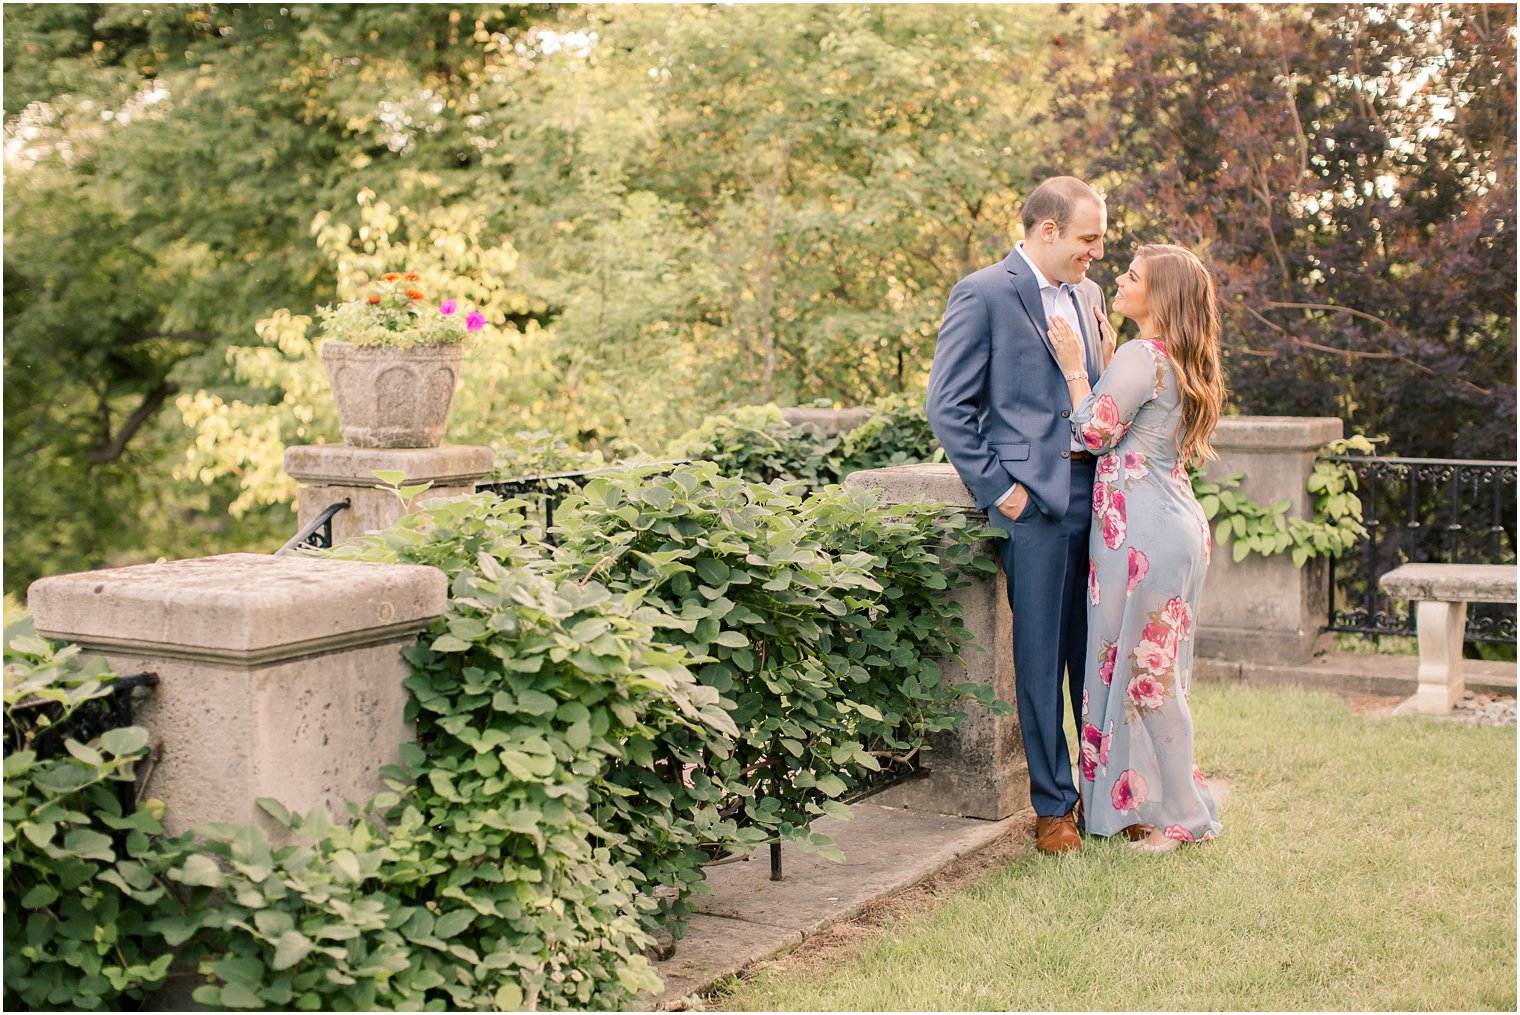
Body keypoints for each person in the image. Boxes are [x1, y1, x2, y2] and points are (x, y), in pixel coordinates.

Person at [926, 176, 1114, 856]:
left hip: (1099, 500)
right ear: (1047, 231)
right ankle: (1053, 807)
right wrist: (999, 490)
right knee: (1038, 660)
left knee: (1093, 655)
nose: (1097, 252)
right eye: (1088, 239)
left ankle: (1105, 794)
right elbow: (948, 406)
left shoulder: (1090, 297)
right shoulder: (984, 293)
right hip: (1031, 506)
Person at [1049, 243, 1225, 853]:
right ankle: (1169, 803)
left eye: (1132, 276)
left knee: (1148, 677)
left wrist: (1076, 365)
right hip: (1170, 524)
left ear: (1160, 297)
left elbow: (1094, 430)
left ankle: (1186, 816)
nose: (1118, 281)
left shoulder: (1141, 354)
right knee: (1155, 673)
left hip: (1144, 533)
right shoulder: (1173, 358)